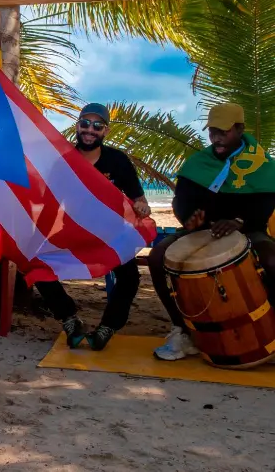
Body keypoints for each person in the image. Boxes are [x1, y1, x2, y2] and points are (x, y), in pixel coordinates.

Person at [147, 103, 275, 361]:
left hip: (249, 230)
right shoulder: (199, 163)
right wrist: (188, 218)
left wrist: (239, 220)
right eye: (212, 131)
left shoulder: (263, 165)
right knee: (156, 257)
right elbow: (182, 201)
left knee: (272, 260)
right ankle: (181, 331)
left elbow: (265, 203)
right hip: (202, 233)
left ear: (239, 129)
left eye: (223, 132)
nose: (216, 138)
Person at [33, 103, 152, 351]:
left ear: (105, 131)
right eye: (85, 123)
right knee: (36, 267)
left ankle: (108, 326)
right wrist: (35, 235)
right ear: (77, 126)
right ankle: (69, 318)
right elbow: (50, 203)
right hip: (73, 234)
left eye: (97, 126)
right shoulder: (63, 161)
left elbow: (139, 200)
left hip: (110, 234)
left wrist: (142, 207)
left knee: (130, 278)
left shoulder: (117, 161)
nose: (90, 130)